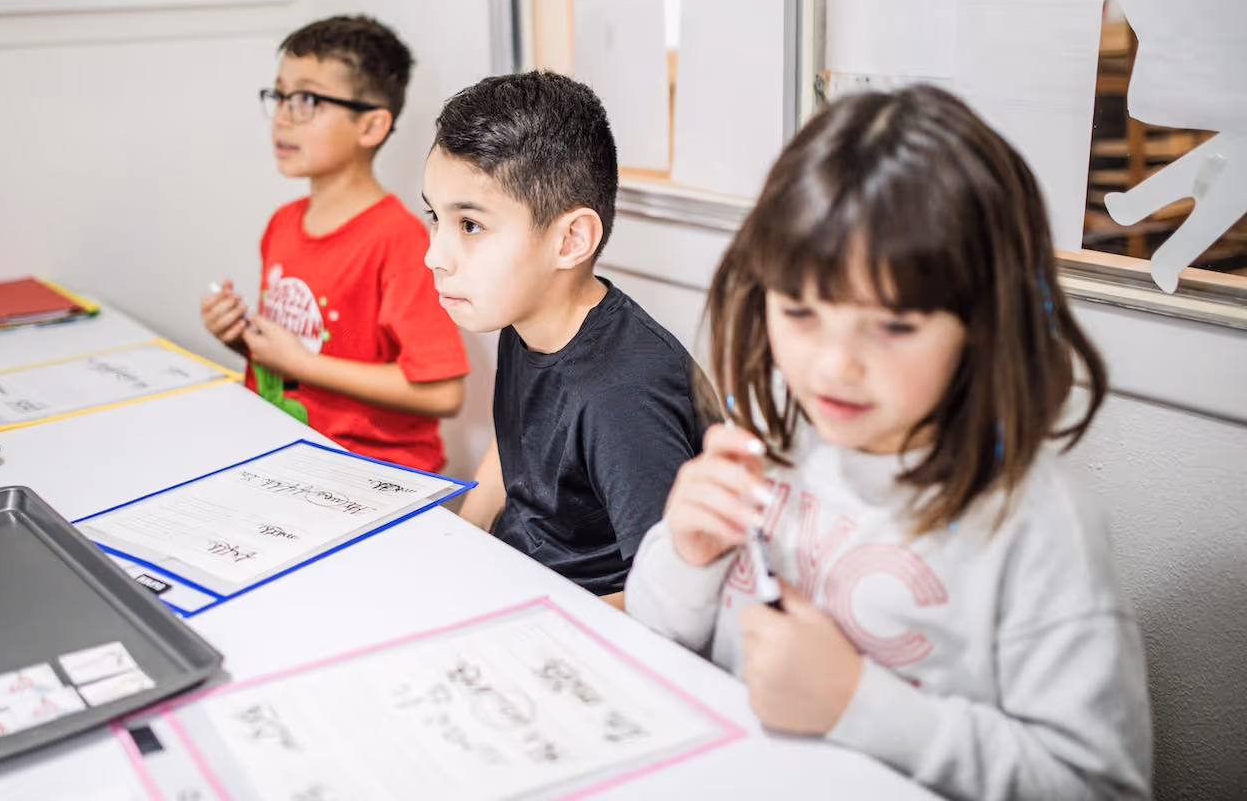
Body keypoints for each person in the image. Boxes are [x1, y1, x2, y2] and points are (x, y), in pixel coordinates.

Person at [626, 85, 1151, 799]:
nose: (833, 365)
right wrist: (685, 555)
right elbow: (654, 643)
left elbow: (1098, 784)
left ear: (983, 322)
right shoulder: (776, 448)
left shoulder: (1038, 524)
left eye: (894, 326)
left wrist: (857, 705)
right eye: (801, 311)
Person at [422, 71, 705, 605]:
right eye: (435, 217)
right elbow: (514, 451)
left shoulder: (622, 395)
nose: (434, 256)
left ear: (571, 239)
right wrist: (457, 545)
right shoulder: (526, 317)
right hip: (515, 578)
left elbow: (670, 597)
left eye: (471, 226)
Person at [201, 15, 467, 472]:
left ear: (371, 127)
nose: (283, 116)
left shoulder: (398, 240)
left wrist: (301, 363)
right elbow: (309, 353)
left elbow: (444, 392)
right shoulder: (282, 225)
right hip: (284, 452)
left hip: (367, 472)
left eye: (305, 99)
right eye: (280, 95)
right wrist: (244, 339)